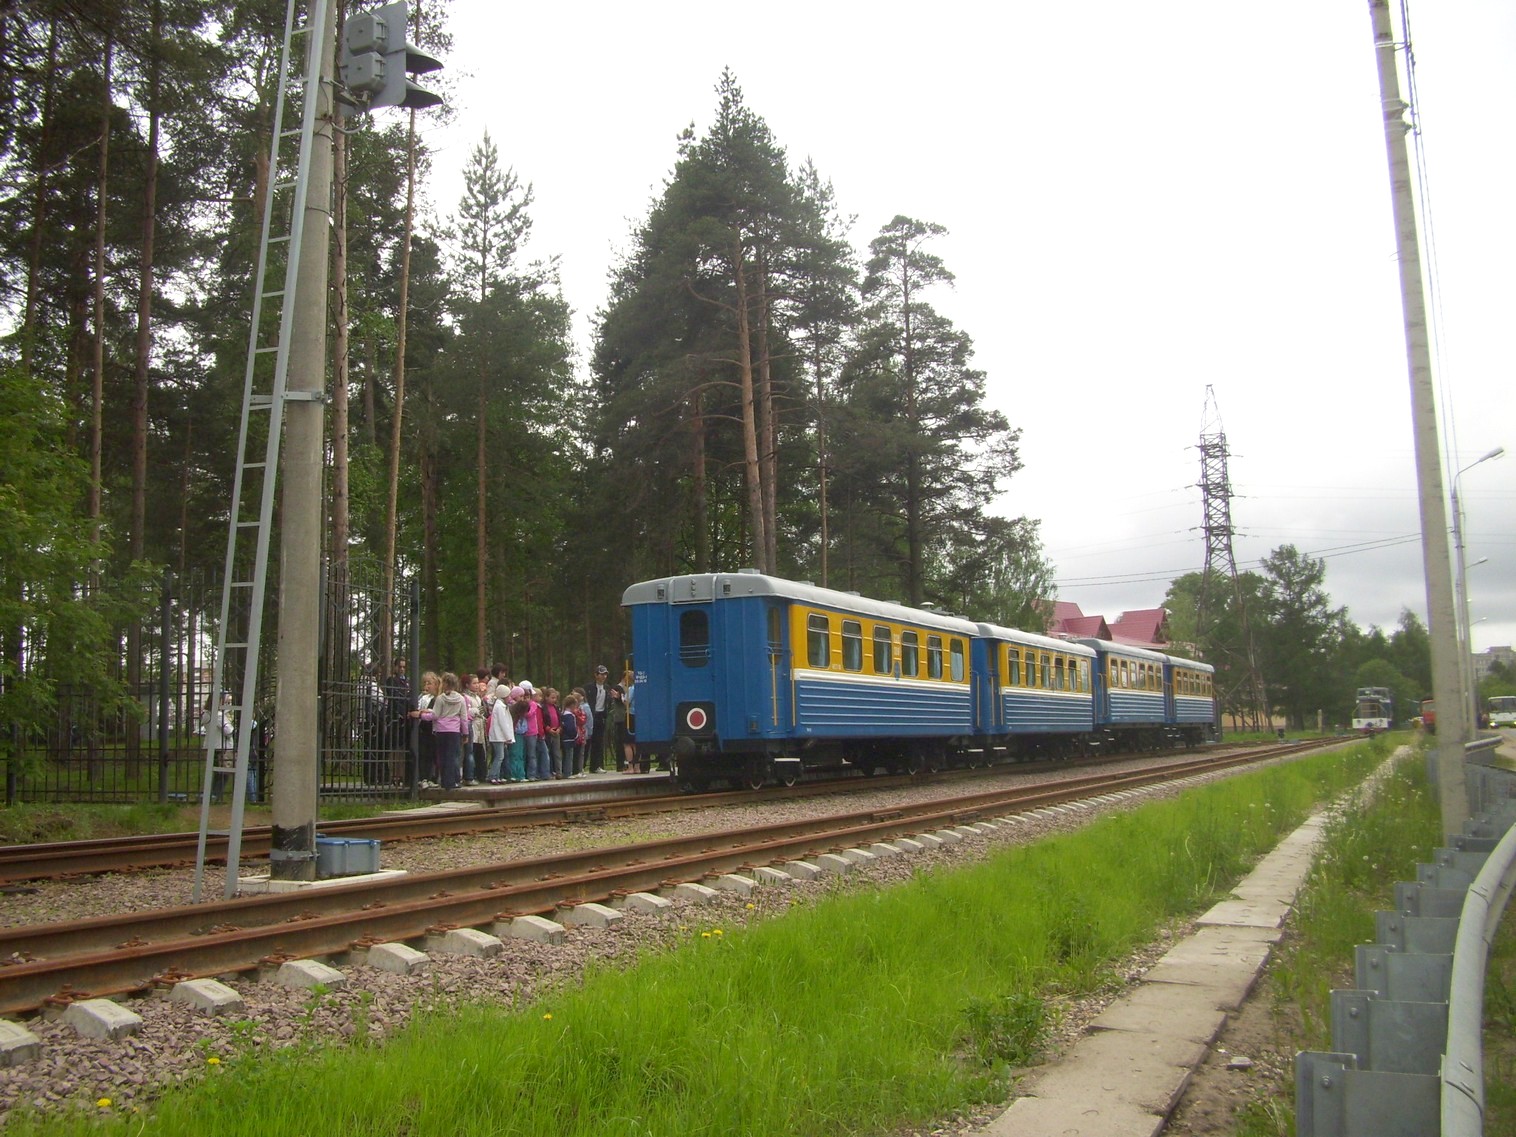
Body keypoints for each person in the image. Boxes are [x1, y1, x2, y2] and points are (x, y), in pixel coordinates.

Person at [420, 671, 468, 791]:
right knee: (453, 756)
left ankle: (444, 781)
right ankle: (453, 781)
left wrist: (421, 715)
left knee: (442, 756)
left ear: (445, 684)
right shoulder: (461, 699)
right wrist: (465, 733)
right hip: (454, 730)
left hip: (441, 730)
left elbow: (435, 715)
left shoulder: (440, 698)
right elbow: (463, 718)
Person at [408, 671, 440, 787]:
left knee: (431, 755)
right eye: (425, 683)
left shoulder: (436, 699)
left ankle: (431, 777)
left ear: (435, 685)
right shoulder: (420, 697)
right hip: (421, 729)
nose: (426, 686)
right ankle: (422, 778)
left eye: (429, 683)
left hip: (431, 729)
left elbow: (433, 712)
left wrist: (421, 713)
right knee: (422, 754)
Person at [384, 658, 411, 786]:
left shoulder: (408, 682)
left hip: (406, 718)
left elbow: (410, 697)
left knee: (404, 747)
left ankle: (403, 775)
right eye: (400, 667)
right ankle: (394, 775)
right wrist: (402, 711)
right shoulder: (391, 680)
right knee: (394, 746)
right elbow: (394, 698)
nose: (402, 669)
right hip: (395, 717)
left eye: (404, 667)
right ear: (395, 667)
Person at [204, 691, 235, 802]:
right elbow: (228, 731)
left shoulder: (207, 714)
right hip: (223, 747)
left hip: (212, 746)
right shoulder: (218, 715)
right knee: (224, 773)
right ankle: (216, 796)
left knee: (217, 773)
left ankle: (213, 795)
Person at [486, 683, 515, 783]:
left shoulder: (501, 706)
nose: (509, 698)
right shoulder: (499, 707)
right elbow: (503, 723)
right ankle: (492, 776)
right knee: (499, 756)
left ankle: (496, 776)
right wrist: (508, 736)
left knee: (500, 756)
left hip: (500, 736)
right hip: (498, 736)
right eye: (508, 696)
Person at [587, 665, 611, 772]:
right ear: (596, 675)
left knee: (599, 742)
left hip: (601, 716)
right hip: (591, 715)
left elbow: (608, 702)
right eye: (601, 674)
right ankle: (581, 766)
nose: (603, 677)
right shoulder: (589, 687)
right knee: (588, 741)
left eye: (605, 674)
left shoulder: (607, 688)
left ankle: (597, 765)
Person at [606, 684, 630, 773]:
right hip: (618, 720)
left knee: (624, 742)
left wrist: (620, 697)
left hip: (624, 719)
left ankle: (626, 762)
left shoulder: (623, 696)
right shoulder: (613, 700)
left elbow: (626, 703)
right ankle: (620, 764)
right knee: (619, 743)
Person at [619, 667, 638, 773]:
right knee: (636, 742)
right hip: (639, 715)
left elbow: (627, 702)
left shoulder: (631, 689)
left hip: (630, 715)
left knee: (627, 742)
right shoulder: (641, 688)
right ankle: (637, 766)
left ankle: (630, 767)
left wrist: (622, 697)